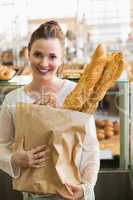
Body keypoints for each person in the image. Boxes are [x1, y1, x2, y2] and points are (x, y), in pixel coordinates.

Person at [0, 20, 99, 200]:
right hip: (31, 192)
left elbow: (90, 149)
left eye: (52, 57)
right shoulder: (12, 100)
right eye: (37, 54)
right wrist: (14, 159)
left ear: (62, 60)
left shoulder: (76, 95)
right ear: (28, 54)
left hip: (72, 194)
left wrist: (86, 187)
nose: (44, 63)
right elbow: (1, 145)